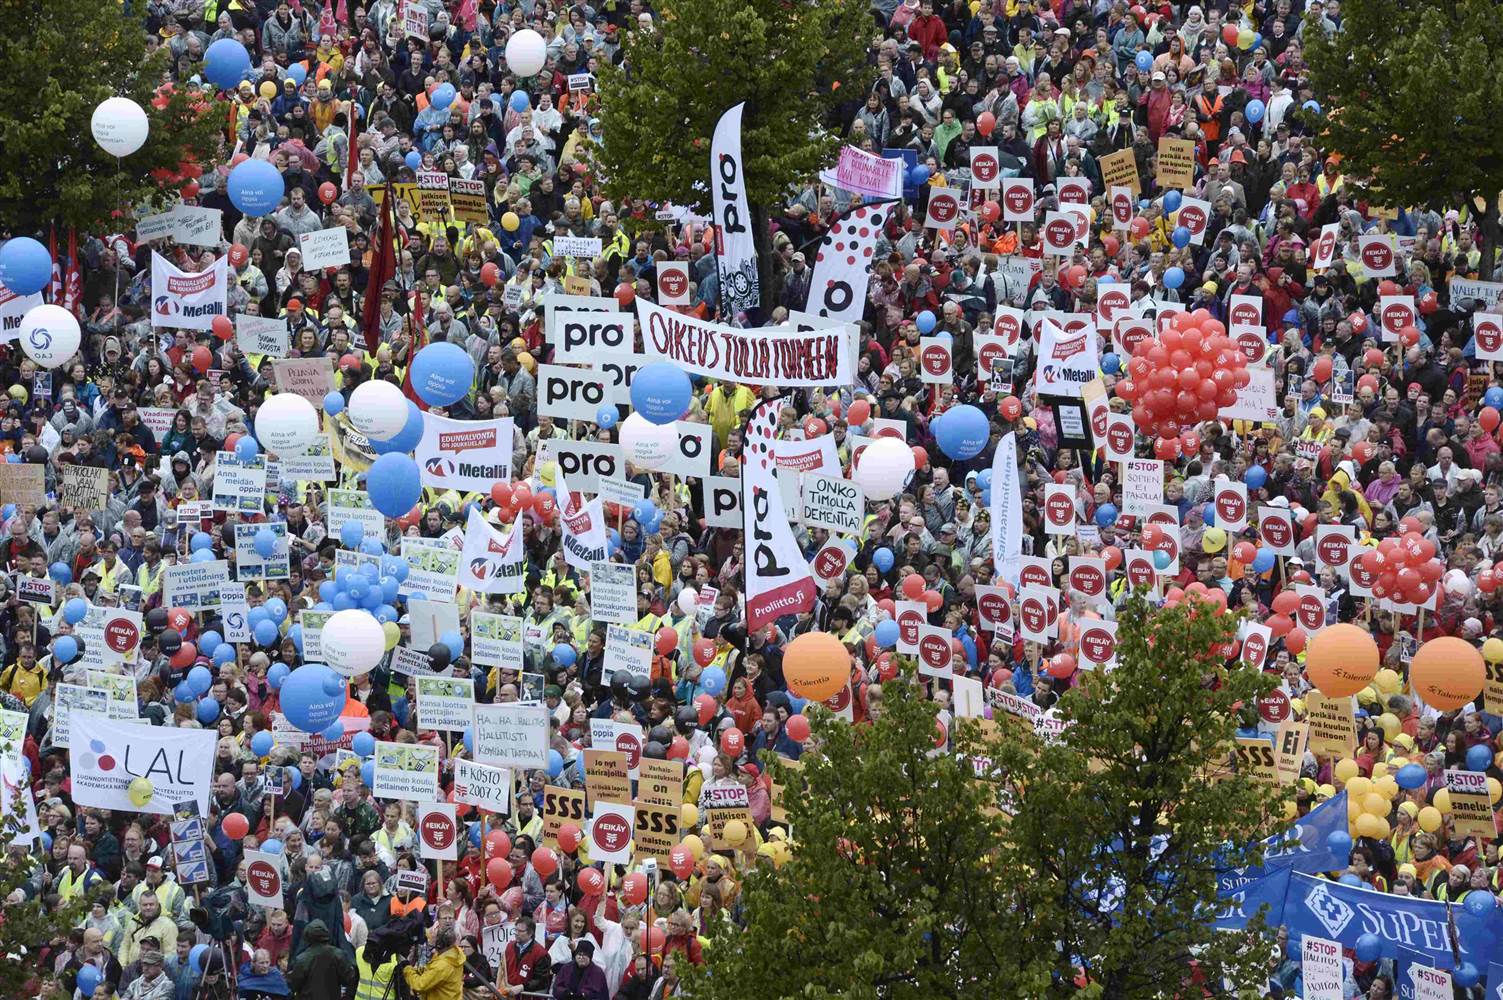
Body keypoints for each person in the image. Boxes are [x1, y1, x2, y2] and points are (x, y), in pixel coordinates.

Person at [286, 920, 356, 1000]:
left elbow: (293, 984)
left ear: (307, 936)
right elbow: (349, 978)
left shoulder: (302, 959)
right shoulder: (338, 955)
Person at [403, 926, 465, 1000]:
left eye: (434, 938)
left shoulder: (442, 965)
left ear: (440, 944)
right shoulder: (454, 954)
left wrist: (407, 969)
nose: (430, 940)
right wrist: (420, 971)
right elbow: (431, 970)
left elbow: (420, 985)